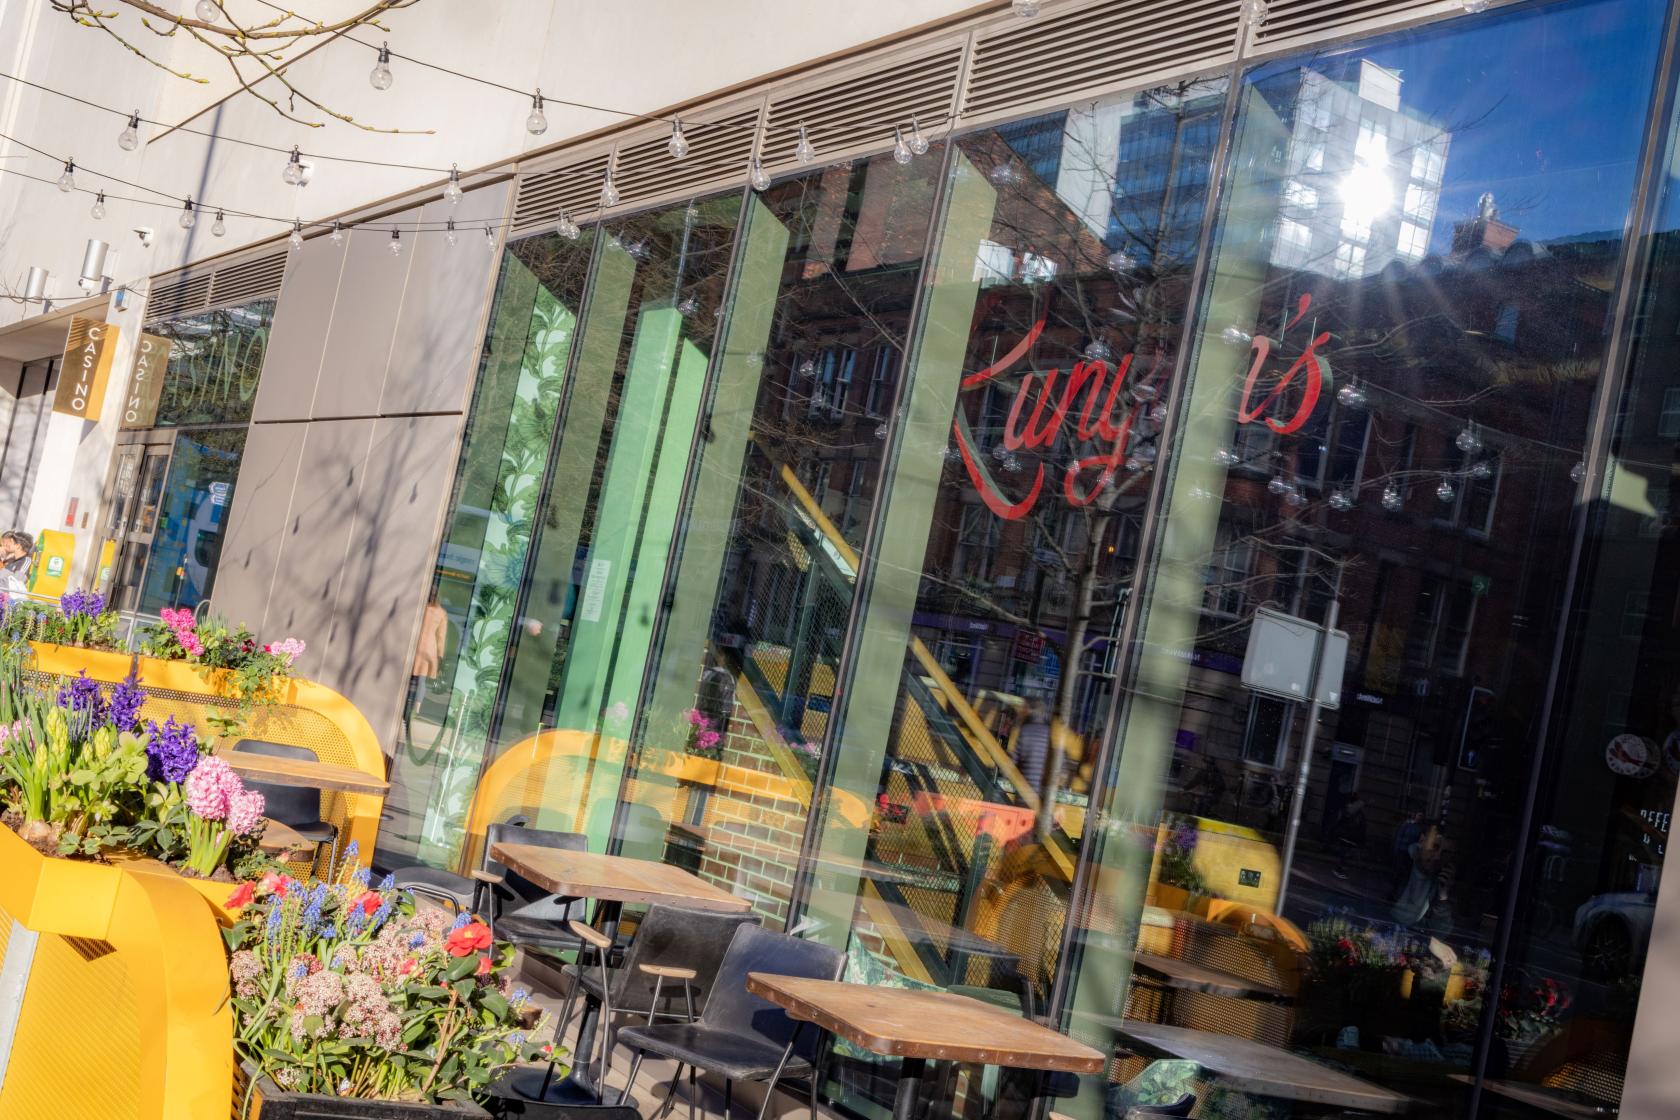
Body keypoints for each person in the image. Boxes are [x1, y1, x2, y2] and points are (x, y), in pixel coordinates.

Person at [1012, 698, 1053, 797]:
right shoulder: (1051, 734)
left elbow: (1013, 761)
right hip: (1042, 796)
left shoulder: (1025, 730)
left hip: (1024, 792)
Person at [1329, 793, 1368, 880]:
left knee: (1344, 853)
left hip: (1345, 835)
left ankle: (1340, 869)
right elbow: (1362, 826)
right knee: (1346, 854)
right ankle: (1340, 870)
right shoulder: (1359, 813)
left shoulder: (1346, 810)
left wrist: (1334, 831)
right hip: (1352, 837)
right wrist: (1362, 840)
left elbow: (1338, 821)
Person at [0, 530, 34, 596]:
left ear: (18, 546)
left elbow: (15, 583)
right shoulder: (12, 561)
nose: (8, 544)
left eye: (11, 542)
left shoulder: (26, 561)